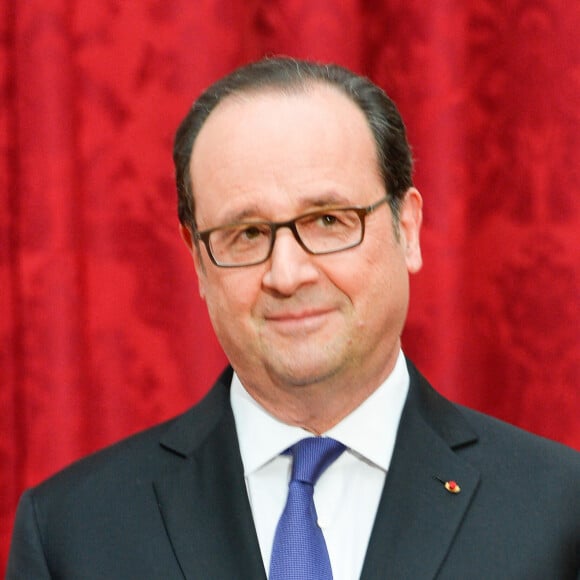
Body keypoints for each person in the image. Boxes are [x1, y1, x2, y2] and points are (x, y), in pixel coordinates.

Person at [7, 57, 580, 580]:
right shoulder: (71, 533)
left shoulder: (559, 510)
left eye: (328, 220)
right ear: (199, 262)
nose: (287, 274)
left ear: (406, 229)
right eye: (247, 233)